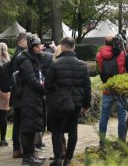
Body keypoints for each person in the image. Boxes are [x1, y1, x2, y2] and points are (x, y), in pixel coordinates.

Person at [45, 37, 91, 166]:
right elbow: (87, 87)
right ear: (74, 47)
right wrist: (86, 104)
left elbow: (48, 85)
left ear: (62, 46)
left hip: (60, 102)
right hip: (76, 103)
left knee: (57, 130)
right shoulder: (82, 65)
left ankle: (58, 158)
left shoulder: (55, 64)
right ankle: (68, 158)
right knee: (73, 130)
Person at [16, 35, 48, 166]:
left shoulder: (34, 58)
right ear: (30, 47)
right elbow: (32, 80)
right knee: (28, 128)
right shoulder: (26, 60)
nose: (39, 48)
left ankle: (31, 154)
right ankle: (27, 157)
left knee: (33, 127)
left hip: (35, 97)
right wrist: (45, 90)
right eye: (36, 46)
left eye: (39, 45)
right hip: (29, 97)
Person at [96, 34, 128, 145]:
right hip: (120, 88)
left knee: (104, 115)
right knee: (122, 115)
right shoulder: (121, 54)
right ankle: (121, 140)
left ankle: (102, 140)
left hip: (107, 88)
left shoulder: (99, 55)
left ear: (104, 43)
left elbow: (98, 70)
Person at [10, 33, 29, 158]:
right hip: (21, 93)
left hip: (16, 93)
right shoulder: (21, 55)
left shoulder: (16, 54)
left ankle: (17, 147)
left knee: (18, 121)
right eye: (27, 41)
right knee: (20, 122)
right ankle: (18, 147)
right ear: (22, 41)